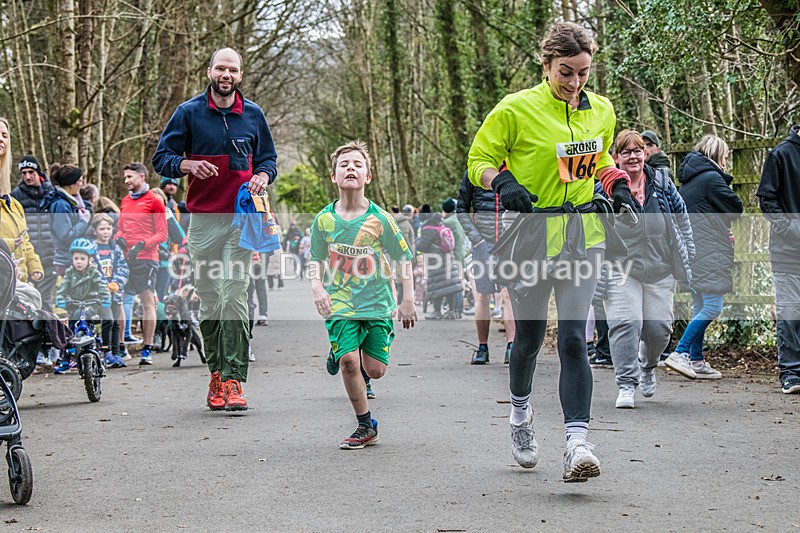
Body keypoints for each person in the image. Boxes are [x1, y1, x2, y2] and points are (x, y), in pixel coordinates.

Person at [467, 22, 639, 482]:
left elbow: (601, 157)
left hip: (583, 235)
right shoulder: (515, 109)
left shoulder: (601, 109)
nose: (575, 83)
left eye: (583, 73)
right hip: (531, 238)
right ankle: (520, 418)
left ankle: (577, 443)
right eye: (566, 72)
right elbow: (478, 162)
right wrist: (502, 181)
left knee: (572, 340)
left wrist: (615, 185)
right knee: (526, 339)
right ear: (545, 66)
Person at [153, 47, 277, 411]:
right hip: (203, 222)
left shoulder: (253, 114)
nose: (226, 74)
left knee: (234, 295)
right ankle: (216, 374)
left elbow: (268, 159)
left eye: (233, 69)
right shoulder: (188, 113)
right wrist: (188, 164)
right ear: (210, 71)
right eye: (221, 68)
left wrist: (262, 174)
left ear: (240, 75)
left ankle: (235, 379)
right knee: (210, 301)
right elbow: (162, 159)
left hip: (241, 220)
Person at [309, 141, 415, 449]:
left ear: (368, 176)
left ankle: (344, 351)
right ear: (333, 176)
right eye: (344, 164)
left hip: (377, 303)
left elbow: (403, 258)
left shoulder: (380, 219)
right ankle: (365, 424)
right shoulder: (324, 220)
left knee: (375, 370)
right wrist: (317, 287)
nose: (351, 168)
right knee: (349, 364)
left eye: (357, 164)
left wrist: (408, 298)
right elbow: (315, 259)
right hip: (340, 301)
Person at [599, 130, 694, 408]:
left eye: (637, 151)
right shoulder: (605, 187)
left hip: (659, 268)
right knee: (626, 323)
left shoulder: (661, 183)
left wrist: (688, 252)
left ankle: (648, 365)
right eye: (626, 152)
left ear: (646, 153)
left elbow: (681, 217)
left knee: (658, 330)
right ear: (615, 157)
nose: (633, 157)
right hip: (620, 269)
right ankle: (626, 384)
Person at [666, 135, 743, 380]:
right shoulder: (711, 179)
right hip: (710, 247)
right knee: (712, 306)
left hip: (693, 249)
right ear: (718, 155)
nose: (726, 163)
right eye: (726, 158)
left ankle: (697, 360)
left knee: (700, 304)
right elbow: (736, 208)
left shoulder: (689, 181)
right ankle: (680, 352)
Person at [456, 170, 516, 364]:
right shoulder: (474, 171)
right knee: (483, 294)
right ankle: (483, 347)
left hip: (509, 243)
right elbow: (462, 208)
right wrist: (477, 240)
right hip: (483, 243)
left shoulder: (514, 166)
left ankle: (511, 347)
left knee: (508, 293)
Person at [757, 123, 800, 393]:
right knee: (791, 311)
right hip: (789, 252)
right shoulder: (781, 154)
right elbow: (766, 200)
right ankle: (792, 373)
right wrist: (791, 228)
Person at [116, 162, 168, 365]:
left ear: (142, 177)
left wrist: (143, 244)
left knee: (147, 302)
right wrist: (119, 237)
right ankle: (120, 348)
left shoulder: (155, 202)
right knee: (119, 299)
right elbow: (121, 227)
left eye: (130, 177)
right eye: (125, 177)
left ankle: (147, 349)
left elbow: (163, 234)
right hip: (125, 258)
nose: (126, 180)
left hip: (146, 259)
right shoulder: (125, 201)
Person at [53, 238, 112, 374]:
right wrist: (61, 299)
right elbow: (62, 288)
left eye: (82, 259)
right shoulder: (69, 272)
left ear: (89, 259)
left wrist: (105, 299)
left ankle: (97, 353)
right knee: (69, 331)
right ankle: (65, 360)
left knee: (88, 320)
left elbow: (102, 286)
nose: (79, 262)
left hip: (91, 304)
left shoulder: (94, 272)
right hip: (74, 304)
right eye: (76, 258)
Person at [11, 155, 57, 309]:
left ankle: (49, 330)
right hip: (28, 254)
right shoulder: (15, 197)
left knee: (45, 297)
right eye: (23, 173)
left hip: (50, 253)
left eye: (31, 172)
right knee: (27, 298)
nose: (27, 176)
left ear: (38, 172)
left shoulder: (52, 192)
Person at [0, 127, 44, 287]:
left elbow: (24, 239)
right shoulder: (19, 195)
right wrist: (10, 244)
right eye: (23, 173)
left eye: (5, 135)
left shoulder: (14, 204)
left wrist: (35, 266)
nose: (27, 176)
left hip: (18, 279)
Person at [41, 163, 92, 277]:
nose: (82, 184)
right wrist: (84, 221)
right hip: (65, 262)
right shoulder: (61, 205)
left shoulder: (71, 202)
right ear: (72, 184)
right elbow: (65, 236)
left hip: (74, 259)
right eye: (80, 181)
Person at [92, 213, 129, 368]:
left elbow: (123, 268)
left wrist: (117, 283)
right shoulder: (91, 248)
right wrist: (102, 285)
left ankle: (116, 353)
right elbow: (91, 269)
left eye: (108, 228)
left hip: (115, 292)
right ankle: (105, 352)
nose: (106, 232)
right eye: (102, 229)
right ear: (95, 231)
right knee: (108, 320)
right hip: (100, 294)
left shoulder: (116, 248)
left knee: (116, 323)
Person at [416, 212, 462, 320]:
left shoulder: (428, 229)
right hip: (448, 260)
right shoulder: (440, 226)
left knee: (438, 286)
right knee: (449, 287)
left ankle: (437, 312)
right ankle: (451, 312)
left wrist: (417, 240)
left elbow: (421, 246)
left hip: (436, 263)